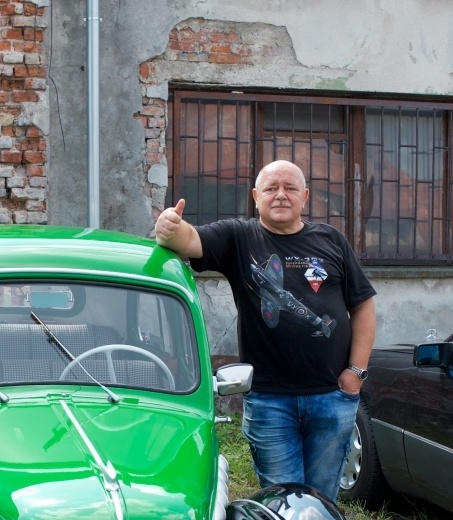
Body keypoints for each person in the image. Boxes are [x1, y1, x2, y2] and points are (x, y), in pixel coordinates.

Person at [154, 160, 376, 501]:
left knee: (321, 500)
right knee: (281, 500)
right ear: (256, 197)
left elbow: (362, 307)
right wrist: (170, 228)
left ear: (305, 197)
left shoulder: (331, 240)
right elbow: (189, 241)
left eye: (290, 188)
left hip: (332, 396)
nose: (281, 195)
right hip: (270, 399)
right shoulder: (238, 237)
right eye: (271, 188)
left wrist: (356, 373)